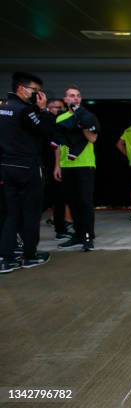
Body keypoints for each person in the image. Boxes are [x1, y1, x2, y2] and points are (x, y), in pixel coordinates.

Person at [0, 72, 54, 273]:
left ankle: (5, 258)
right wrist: (43, 111)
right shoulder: (24, 111)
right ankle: (29, 255)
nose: (38, 94)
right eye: (35, 90)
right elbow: (46, 131)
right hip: (27, 168)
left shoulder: (3, 108)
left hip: (6, 168)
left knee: (10, 213)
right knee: (31, 213)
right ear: (21, 89)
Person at [54, 86, 100, 252]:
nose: (75, 98)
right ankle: (78, 235)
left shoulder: (87, 116)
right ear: (65, 100)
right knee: (72, 203)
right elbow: (58, 144)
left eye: (78, 96)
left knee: (85, 202)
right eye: (71, 96)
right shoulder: (60, 118)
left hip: (84, 165)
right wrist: (57, 165)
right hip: (67, 166)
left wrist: (82, 124)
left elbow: (93, 138)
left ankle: (88, 237)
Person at [43, 98, 73, 240]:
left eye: (62, 108)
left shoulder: (57, 121)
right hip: (48, 165)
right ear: (49, 107)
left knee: (59, 199)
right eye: (57, 107)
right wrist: (56, 165)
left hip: (56, 164)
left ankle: (60, 229)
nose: (60, 110)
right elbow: (54, 145)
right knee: (46, 199)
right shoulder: (48, 121)